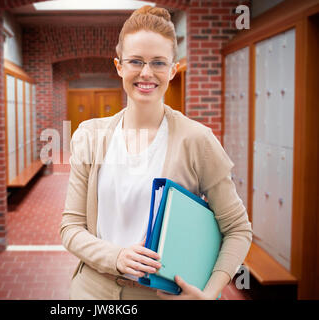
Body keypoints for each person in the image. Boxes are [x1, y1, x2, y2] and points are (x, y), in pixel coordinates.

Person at [60, 5, 252, 300]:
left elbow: (237, 229)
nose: (146, 73)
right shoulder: (90, 135)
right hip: (91, 290)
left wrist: (209, 293)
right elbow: (71, 228)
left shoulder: (197, 140)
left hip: (159, 295)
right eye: (135, 61)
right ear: (119, 66)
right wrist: (117, 256)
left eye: (158, 63)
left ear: (173, 69)